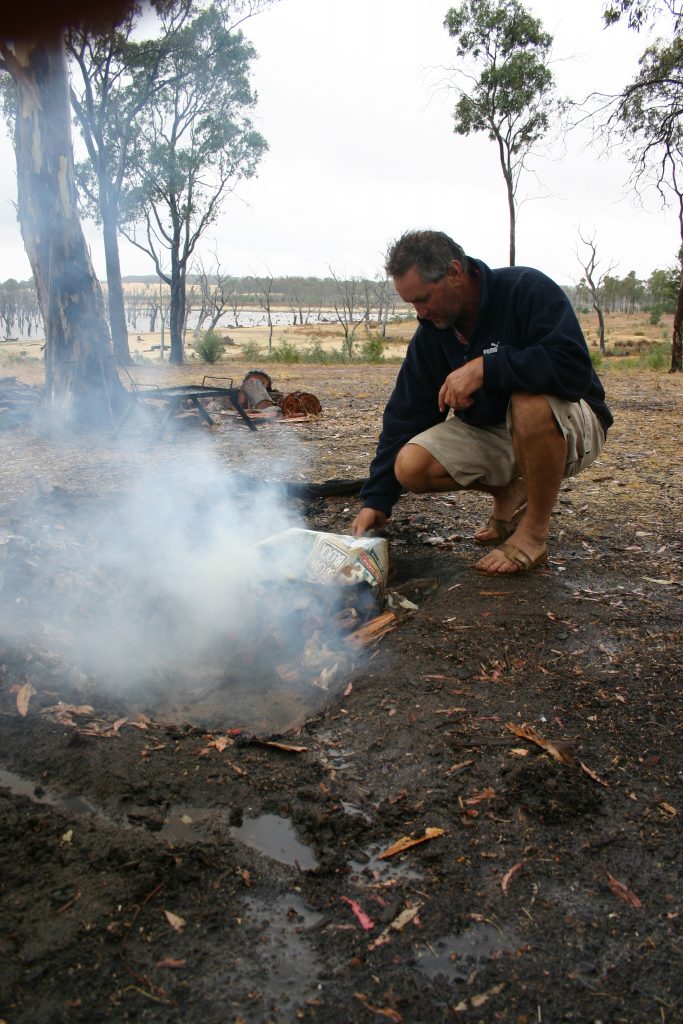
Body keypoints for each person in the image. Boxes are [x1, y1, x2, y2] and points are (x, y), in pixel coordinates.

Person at [351, 230, 612, 575]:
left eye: (424, 298)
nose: (420, 312)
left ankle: (533, 533)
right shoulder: (432, 334)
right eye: (411, 303)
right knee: (411, 464)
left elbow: (573, 369)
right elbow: (405, 414)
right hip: (497, 430)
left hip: (570, 419)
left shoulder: (524, 288)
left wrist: (488, 367)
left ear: (455, 273)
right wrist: (378, 500)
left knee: (529, 401)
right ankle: (509, 491)